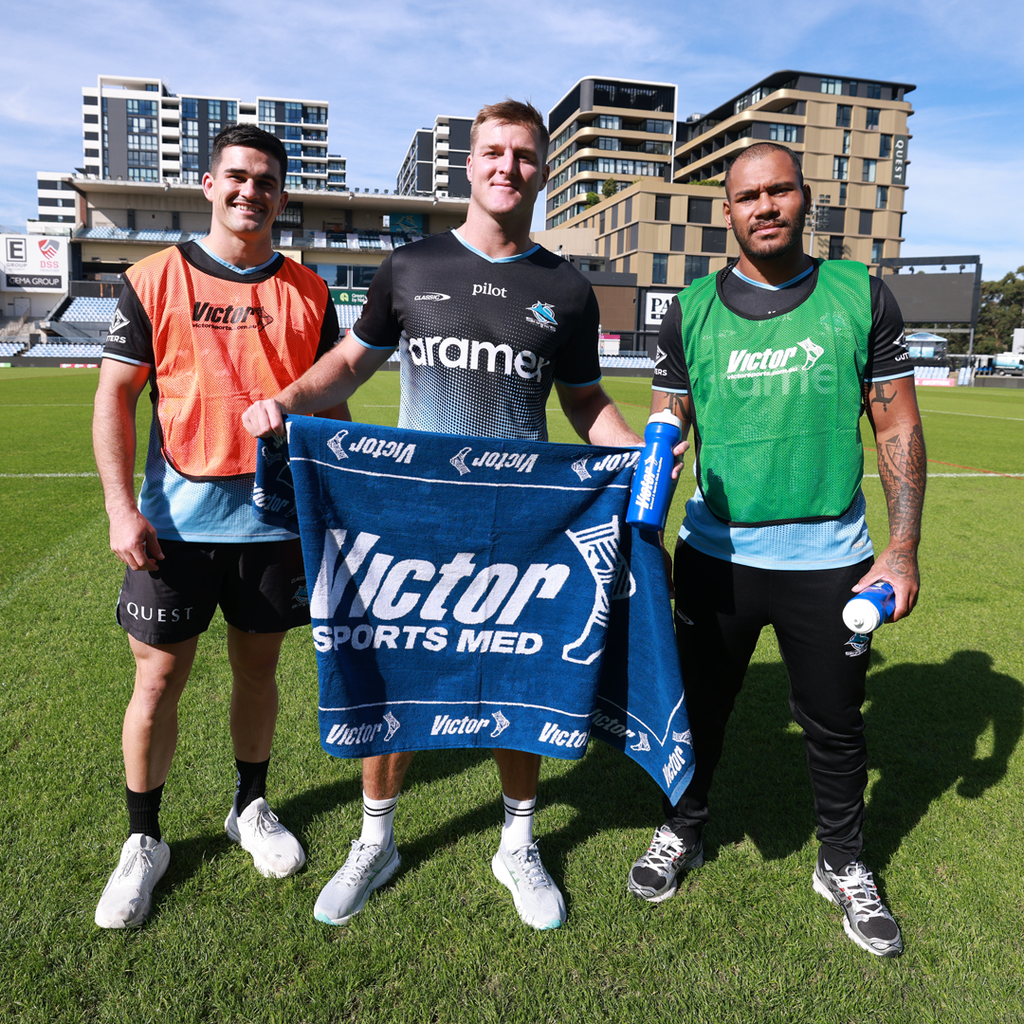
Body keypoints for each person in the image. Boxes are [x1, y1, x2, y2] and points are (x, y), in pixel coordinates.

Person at [242, 99, 642, 931]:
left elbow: (584, 401)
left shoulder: (566, 289)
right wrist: (286, 400)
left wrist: (634, 454)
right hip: (416, 517)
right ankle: (376, 840)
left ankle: (517, 842)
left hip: (522, 526)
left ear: (543, 171)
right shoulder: (411, 265)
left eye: (524, 156)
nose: (508, 167)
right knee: (396, 672)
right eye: (494, 152)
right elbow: (350, 364)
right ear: (469, 164)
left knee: (523, 674)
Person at [626, 142, 925, 958]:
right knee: (698, 708)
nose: (764, 206)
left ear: (804, 199)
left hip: (831, 559)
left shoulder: (859, 293)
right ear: (727, 211)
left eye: (779, 191)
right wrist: (653, 503)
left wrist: (901, 549)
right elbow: (666, 425)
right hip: (716, 556)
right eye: (748, 196)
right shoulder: (690, 309)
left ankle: (843, 862)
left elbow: (896, 422)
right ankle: (681, 828)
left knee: (834, 722)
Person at [92, 124, 347, 929]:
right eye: (237, 176)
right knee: (157, 682)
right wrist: (120, 508)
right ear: (209, 184)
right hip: (172, 527)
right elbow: (114, 396)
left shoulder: (311, 292)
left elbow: (333, 406)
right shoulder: (153, 279)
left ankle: (250, 806)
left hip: (273, 527)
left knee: (258, 674)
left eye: (266, 181)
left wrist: (341, 504)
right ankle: (143, 839)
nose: (250, 192)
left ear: (281, 196)